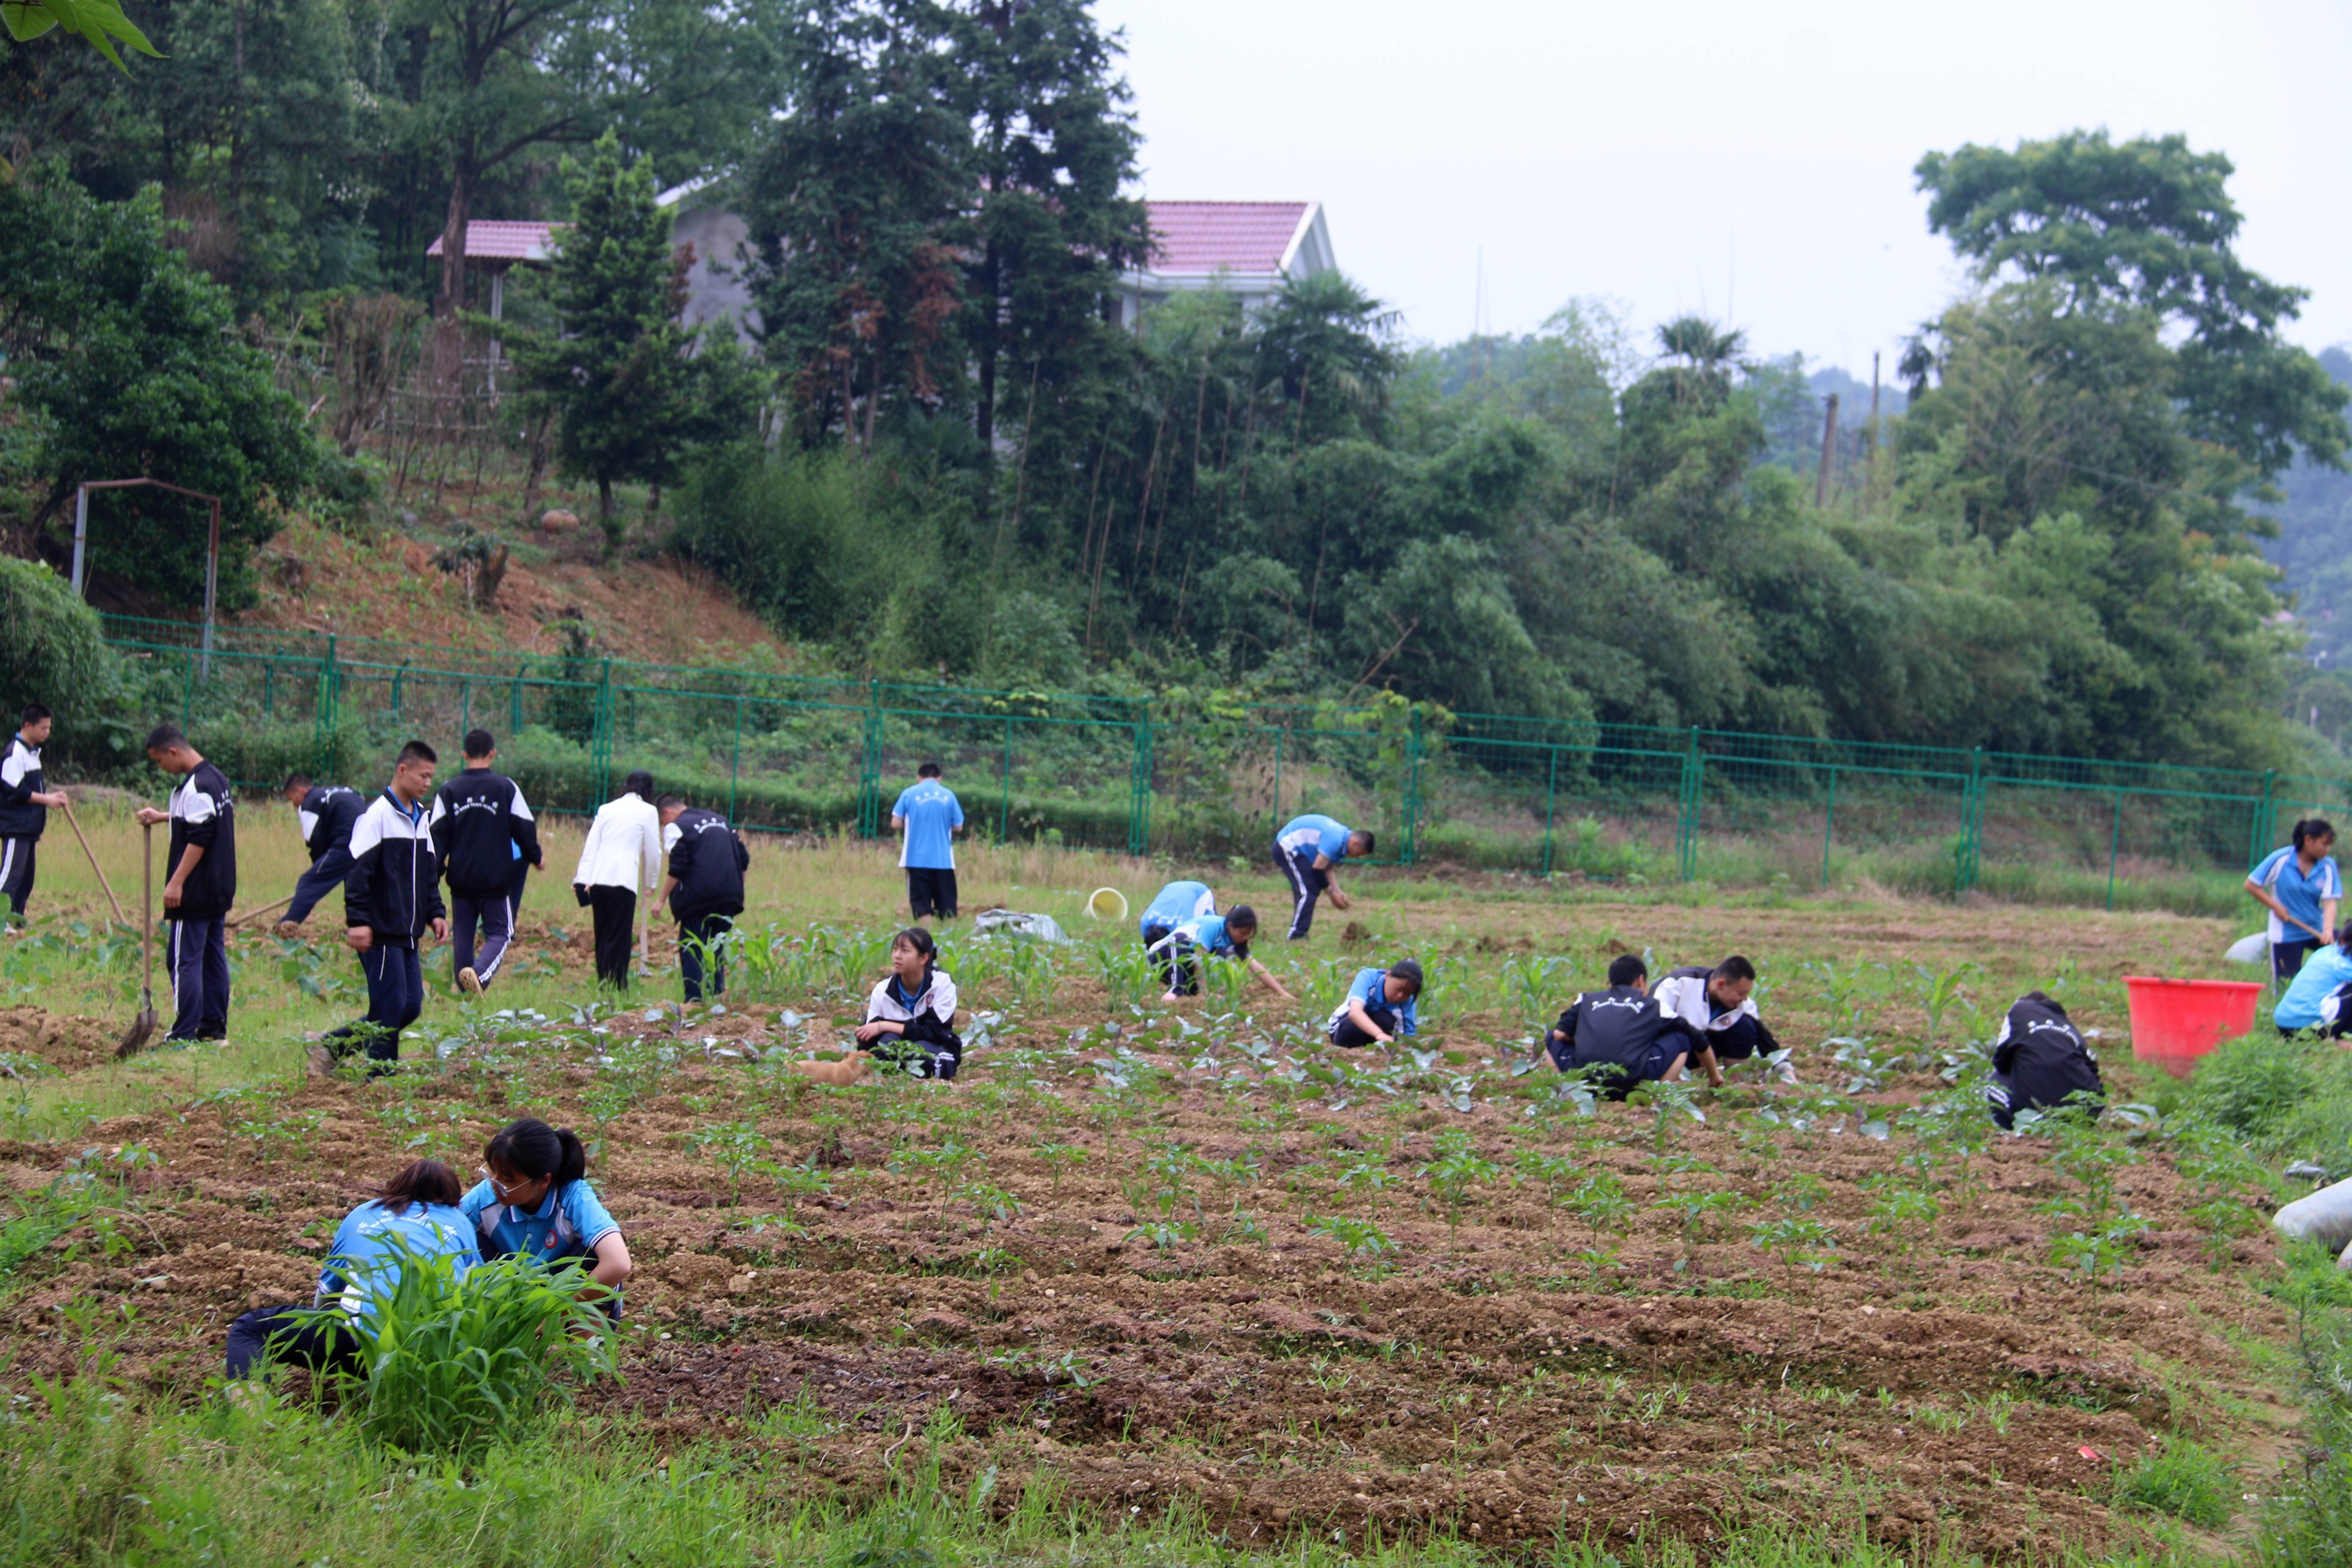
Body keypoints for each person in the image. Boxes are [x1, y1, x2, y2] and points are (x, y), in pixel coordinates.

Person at [224, 1159, 480, 1381]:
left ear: (398, 1187)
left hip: (360, 1345)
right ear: (452, 1200)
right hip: (433, 1353)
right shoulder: (460, 1222)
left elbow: (326, 1296)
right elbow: (474, 1294)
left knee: (251, 1328)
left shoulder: (366, 1212)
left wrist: (324, 1336)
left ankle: (251, 1417)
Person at [315, 741, 446, 1077]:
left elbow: (429, 874)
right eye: (423, 775)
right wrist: (357, 921)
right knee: (389, 1005)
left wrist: (437, 912)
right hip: (380, 930)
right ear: (403, 771)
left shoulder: (421, 819)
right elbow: (357, 874)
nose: (428, 783)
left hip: (408, 931)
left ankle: (332, 1046)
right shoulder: (375, 817)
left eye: (432, 777)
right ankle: (380, 1075)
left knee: (410, 1005)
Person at [459, 1118, 632, 1318]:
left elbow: (619, 1263)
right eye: (493, 1173)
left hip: (568, 1303)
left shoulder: (574, 1198)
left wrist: (556, 1312)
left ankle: (583, 1346)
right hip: (514, 1300)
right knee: (468, 1240)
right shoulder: (486, 1198)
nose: (496, 1185)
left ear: (544, 1181)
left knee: (591, 1255)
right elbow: (443, 1230)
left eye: (508, 1180)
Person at [134, 726, 238, 1043]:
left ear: (173, 752)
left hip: (195, 889)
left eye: (159, 760)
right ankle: (212, 1030)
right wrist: (164, 816)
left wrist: (176, 883)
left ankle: (184, 1034)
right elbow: (201, 818)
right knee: (212, 958)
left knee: (183, 961)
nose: (160, 767)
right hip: (219, 886)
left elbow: (200, 836)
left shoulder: (197, 786)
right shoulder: (215, 778)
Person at [431, 729, 542, 995]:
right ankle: (479, 976)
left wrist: (432, 876)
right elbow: (525, 828)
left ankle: (467, 994)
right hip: (495, 880)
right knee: (501, 933)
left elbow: (436, 837)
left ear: (465, 755)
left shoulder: (449, 789)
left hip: (461, 879)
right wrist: (536, 856)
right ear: (493, 754)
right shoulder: (505, 787)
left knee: (463, 937)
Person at [1545, 954, 1703, 1099]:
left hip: (1586, 1078)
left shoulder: (1587, 999)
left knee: (1550, 1036)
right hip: (1634, 1081)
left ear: (1610, 982)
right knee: (1682, 1040)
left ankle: (1567, 1091)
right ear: (1641, 981)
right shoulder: (1652, 1005)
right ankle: (1656, 1096)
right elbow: (1695, 1035)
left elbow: (1559, 1035)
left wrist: (1578, 1037)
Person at [572, 771, 662, 989]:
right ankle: (618, 984)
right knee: (620, 936)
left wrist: (581, 879)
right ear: (650, 791)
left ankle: (604, 981)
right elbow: (654, 852)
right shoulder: (649, 812)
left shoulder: (607, 809)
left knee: (602, 933)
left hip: (598, 880)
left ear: (626, 785)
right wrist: (651, 882)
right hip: (624, 881)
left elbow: (591, 845)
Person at [656, 794, 749, 1002]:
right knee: (718, 945)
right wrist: (740, 892)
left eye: (663, 823)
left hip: (697, 897)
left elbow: (678, 866)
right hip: (729, 894)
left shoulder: (678, 826)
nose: (665, 827)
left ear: (667, 813)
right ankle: (717, 994)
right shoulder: (721, 821)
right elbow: (744, 859)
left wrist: (661, 899)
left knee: (692, 945)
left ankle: (694, 999)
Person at [1139, 879, 1295, 1001]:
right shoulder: (1213, 925)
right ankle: (1175, 990)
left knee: (1219, 956)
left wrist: (1282, 993)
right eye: (1243, 933)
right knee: (1182, 941)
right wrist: (1206, 993)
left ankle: (1189, 992)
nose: (1245, 938)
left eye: (1249, 934)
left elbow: (1255, 967)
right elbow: (1199, 957)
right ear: (1231, 926)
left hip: (1182, 962)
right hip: (1161, 957)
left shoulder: (1234, 941)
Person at [1652, 956, 1788, 1088]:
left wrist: (1786, 1071)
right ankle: (1670, 1081)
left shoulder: (1742, 1005)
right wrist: (1696, 1040)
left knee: (1746, 1026)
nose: (1745, 999)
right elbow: (1656, 1019)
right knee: (1678, 1035)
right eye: (1741, 994)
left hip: (1704, 1053)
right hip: (1669, 1051)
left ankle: (1734, 1085)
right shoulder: (1679, 983)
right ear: (1721, 984)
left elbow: (1766, 1042)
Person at [1985, 991, 2106, 1129]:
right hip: (2086, 1109)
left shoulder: (2018, 1010)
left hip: (2039, 1105)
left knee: (1995, 1083)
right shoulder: (2065, 1023)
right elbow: (2093, 1068)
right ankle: (2082, 1126)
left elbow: (2000, 1062)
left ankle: (2007, 1136)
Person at [855, 926, 962, 1080]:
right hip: (898, 1047)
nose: (897, 956)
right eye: (896, 949)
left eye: (905, 951)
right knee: (887, 1045)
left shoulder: (941, 984)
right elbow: (868, 1039)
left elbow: (936, 1033)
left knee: (921, 1054)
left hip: (935, 1046)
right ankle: (894, 1080)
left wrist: (884, 1025)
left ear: (924, 958)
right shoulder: (883, 990)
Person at [2248, 819, 2342, 983]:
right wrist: (2275, 906)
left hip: (2316, 928)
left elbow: (2330, 902)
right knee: (2287, 984)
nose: (2327, 850)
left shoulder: (2328, 866)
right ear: (2308, 840)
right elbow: (2251, 885)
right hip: (2286, 933)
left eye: (2329, 846)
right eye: (2324, 845)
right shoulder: (2281, 859)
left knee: (2346, 947)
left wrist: (2327, 930)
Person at [0, 704, 67, 929]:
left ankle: (15, 922)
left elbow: (32, 788)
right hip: (15, 827)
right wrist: (47, 800)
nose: (47, 733)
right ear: (28, 726)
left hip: (30, 828)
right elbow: (14, 790)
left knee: (26, 881)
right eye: (43, 728)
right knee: (10, 877)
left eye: (49, 728)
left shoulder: (32, 753)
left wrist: (50, 796)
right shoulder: (14, 754)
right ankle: (2, 922)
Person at [277, 775, 364, 933]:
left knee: (309, 881)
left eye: (292, 799)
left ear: (300, 791)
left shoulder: (309, 803)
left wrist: (320, 871)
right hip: (368, 839)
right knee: (355, 884)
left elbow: (314, 841)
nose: (294, 805)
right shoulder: (336, 792)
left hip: (348, 842)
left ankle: (287, 925)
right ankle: (359, 923)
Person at [1272, 814, 1374, 940]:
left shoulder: (1342, 839)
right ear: (1355, 844)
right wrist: (1332, 895)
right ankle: (1297, 936)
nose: (1356, 857)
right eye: (1358, 854)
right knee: (1308, 892)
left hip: (1300, 853)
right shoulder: (1336, 840)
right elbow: (1318, 868)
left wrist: (1338, 892)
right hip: (1287, 848)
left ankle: (1300, 933)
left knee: (1311, 890)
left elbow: (1327, 868)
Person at [891, 762, 965, 923]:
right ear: (939, 778)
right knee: (947, 905)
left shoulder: (908, 794)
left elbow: (896, 823)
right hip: (943, 860)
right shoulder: (949, 796)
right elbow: (959, 826)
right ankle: (950, 940)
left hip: (916, 858)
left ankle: (926, 937)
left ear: (919, 778)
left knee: (922, 903)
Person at [2274, 924, 2352, 1038]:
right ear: (2343, 942)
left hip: (2283, 1025)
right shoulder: (2343, 966)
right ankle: (2341, 1036)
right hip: (2308, 1029)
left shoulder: (2325, 952)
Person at [1327, 958, 1423, 1047]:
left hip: (1378, 1038)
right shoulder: (1368, 977)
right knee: (1353, 1027)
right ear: (1388, 975)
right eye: (1399, 989)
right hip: (1342, 1027)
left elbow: (1407, 1038)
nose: (1401, 996)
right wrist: (1379, 1034)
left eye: (1408, 993)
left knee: (1386, 1021)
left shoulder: (1408, 1001)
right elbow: (1355, 1013)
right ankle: (1347, 1053)